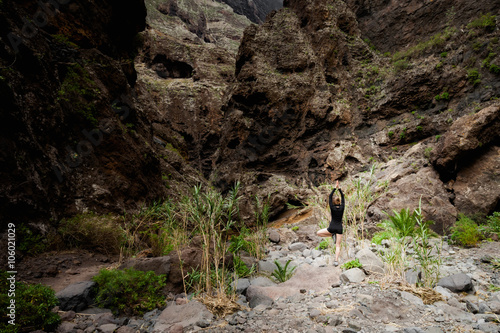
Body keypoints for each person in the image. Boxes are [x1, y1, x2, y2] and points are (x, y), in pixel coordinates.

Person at [316, 180, 345, 267]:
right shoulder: (342, 207)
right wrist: (339, 189)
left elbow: (329, 197)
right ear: (340, 202)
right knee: (338, 246)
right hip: (339, 228)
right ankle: (336, 261)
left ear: (333, 202)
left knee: (318, 233)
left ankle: (332, 235)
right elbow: (343, 197)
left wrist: (334, 188)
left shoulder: (332, 207)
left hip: (332, 227)